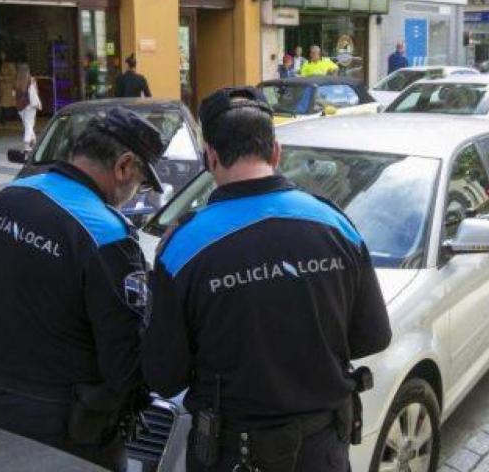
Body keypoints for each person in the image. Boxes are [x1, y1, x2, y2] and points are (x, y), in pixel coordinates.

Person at [142, 87, 393, 472]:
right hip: (322, 450)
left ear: (210, 156)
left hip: (233, 455)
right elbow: (374, 336)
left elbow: (164, 375)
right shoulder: (335, 224)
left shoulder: (184, 247)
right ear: (276, 152)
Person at [0, 108, 165, 471]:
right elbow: (125, 353)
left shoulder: (11, 197)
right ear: (124, 166)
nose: (135, 191)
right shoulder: (105, 232)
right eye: (140, 180)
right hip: (68, 427)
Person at [18, 73, 42, 151]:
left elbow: (13, 95)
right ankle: (27, 143)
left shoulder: (18, 84)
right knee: (29, 124)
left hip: (21, 108)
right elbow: (33, 96)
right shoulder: (31, 84)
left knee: (28, 124)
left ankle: (34, 140)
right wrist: (38, 104)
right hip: (30, 107)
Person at [0, 52, 17, 125]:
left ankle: (5, 119)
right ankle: (4, 119)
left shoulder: (10, 65)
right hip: (4, 87)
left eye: (3, 54)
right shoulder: (3, 64)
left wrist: (2, 78)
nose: (1, 56)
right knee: (4, 103)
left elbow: (13, 76)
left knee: (7, 103)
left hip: (9, 87)